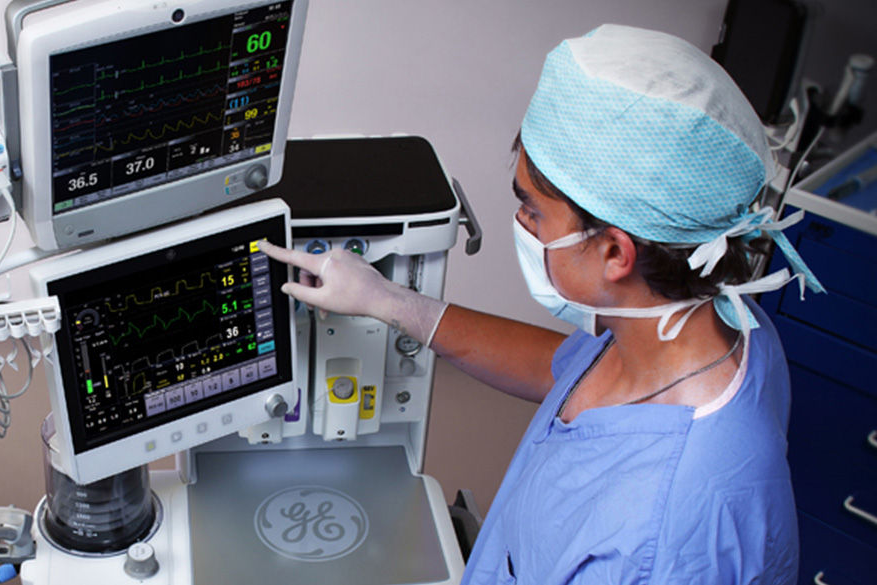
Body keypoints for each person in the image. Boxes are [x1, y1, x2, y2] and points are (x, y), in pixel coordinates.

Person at [259, 24, 822, 585]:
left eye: (532, 211)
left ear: (614, 252)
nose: (522, 225)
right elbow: (565, 368)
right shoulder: (718, 327)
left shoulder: (658, 539)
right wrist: (392, 302)